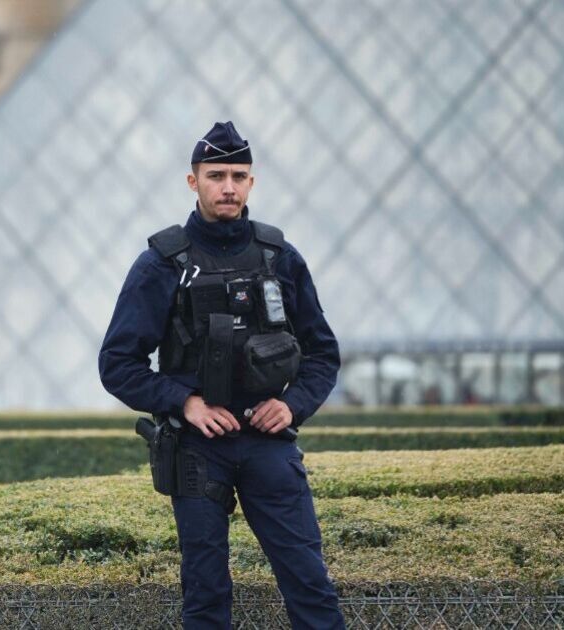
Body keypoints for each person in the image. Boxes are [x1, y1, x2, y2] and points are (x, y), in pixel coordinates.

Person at [99, 122, 343, 629]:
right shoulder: (161, 265)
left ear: (252, 182)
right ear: (193, 182)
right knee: (206, 596)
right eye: (216, 175)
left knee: (310, 585)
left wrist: (292, 405)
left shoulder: (281, 259)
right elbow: (117, 364)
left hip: (267, 442)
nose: (228, 186)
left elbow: (322, 354)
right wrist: (184, 403)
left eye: (238, 175)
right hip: (196, 447)